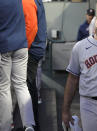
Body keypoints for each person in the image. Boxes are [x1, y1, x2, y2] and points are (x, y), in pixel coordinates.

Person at [0, 0, 35, 131]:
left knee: (4, 88)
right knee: (21, 85)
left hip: (5, 47)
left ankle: (5, 127)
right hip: (21, 45)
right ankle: (29, 124)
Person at [22, 0, 47, 130]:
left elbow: (31, 26)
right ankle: (32, 124)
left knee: (26, 87)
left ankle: (31, 125)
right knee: (28, 86)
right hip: (35, 47)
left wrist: (21, 49)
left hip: (30, 49)